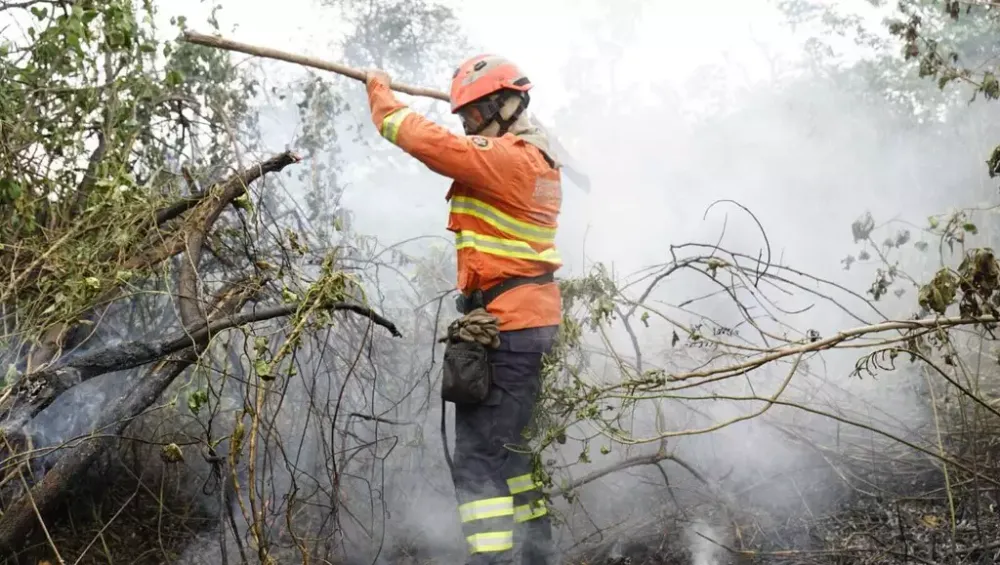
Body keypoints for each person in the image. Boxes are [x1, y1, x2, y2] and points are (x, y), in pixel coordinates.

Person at [364, 55, 563, 565]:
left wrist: (382, 97)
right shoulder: (534, 157)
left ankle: (492, 560)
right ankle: (538, 556)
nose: (467, 126)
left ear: (507, 104)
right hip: (524, 324)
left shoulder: (512, 158)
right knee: (513, 453)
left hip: (510, 330)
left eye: (474, 114)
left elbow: (435, 145)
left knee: (478, 462)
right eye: (464, 116)